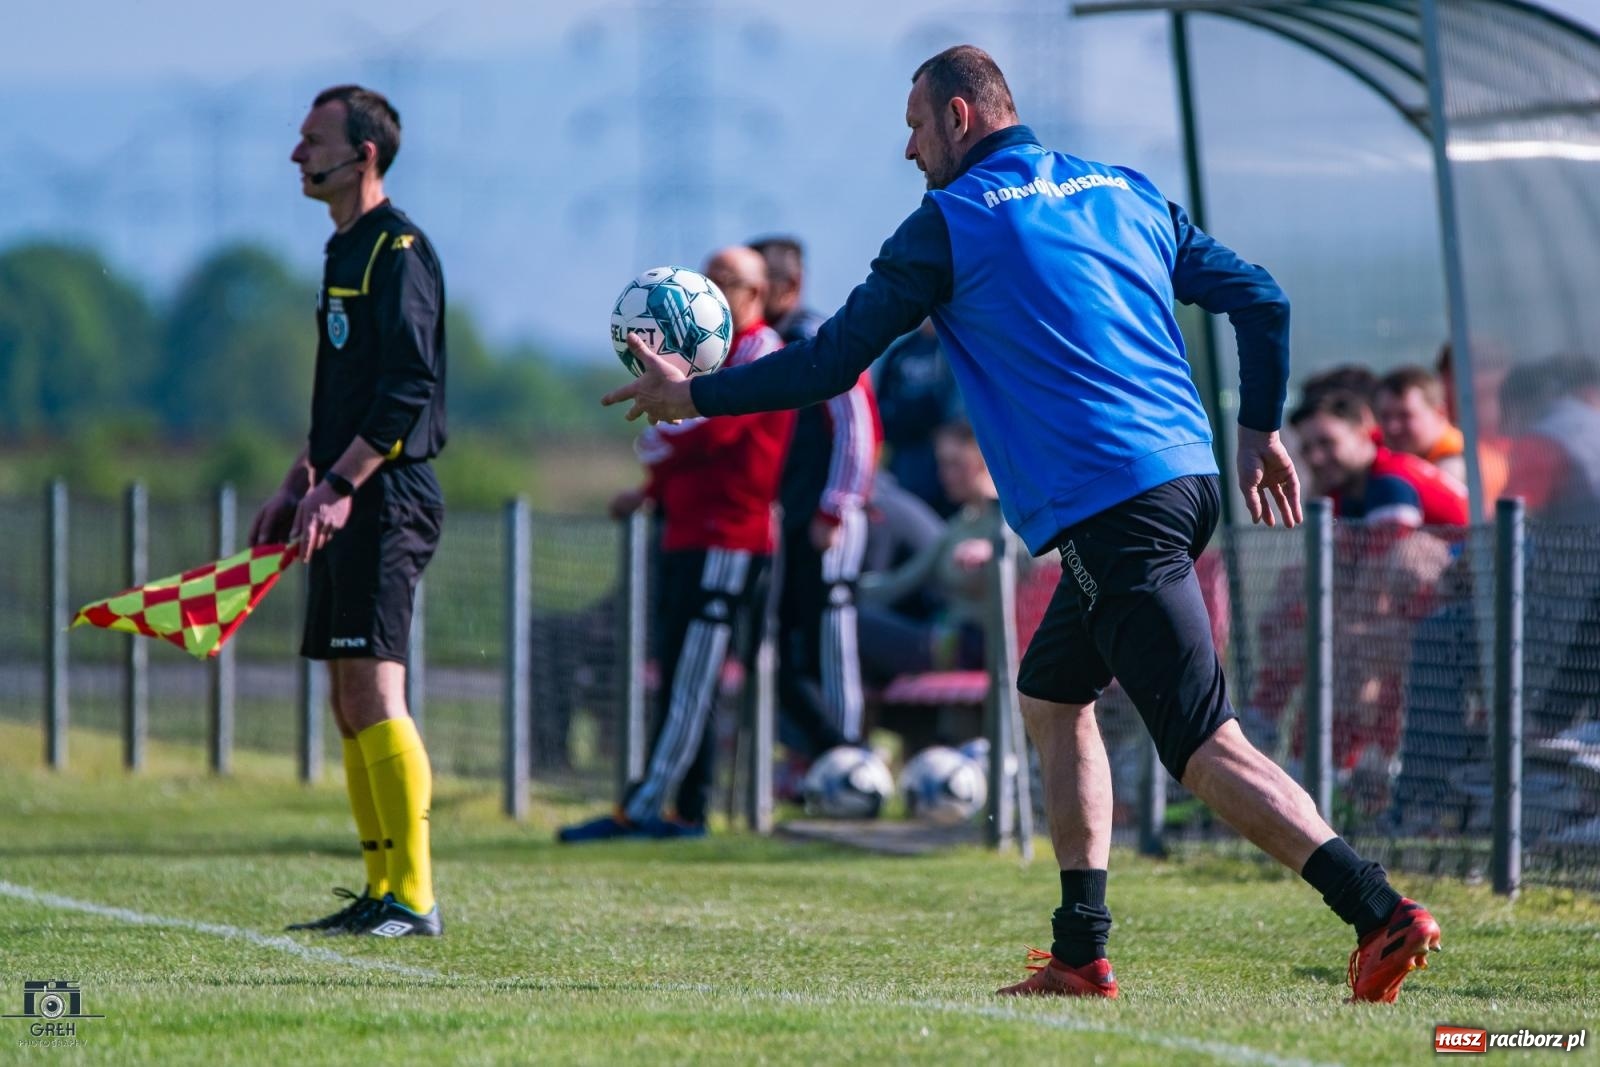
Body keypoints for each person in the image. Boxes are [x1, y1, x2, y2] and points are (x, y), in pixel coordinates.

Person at [604, 44, 1442, 1003]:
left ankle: (1378, 910)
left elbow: (830, 361)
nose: (910, 150)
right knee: (1051, 696)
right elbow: (1262, 298)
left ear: (961, 116)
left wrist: (696, 394)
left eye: (916, 126)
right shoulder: (1123, 189)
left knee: (1202, 743)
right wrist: (1255, 431)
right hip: (1182, 479)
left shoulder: (948, 222)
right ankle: (1081, 951)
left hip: (1113, 503)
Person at [251, 85, 446, 937]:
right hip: (340, 493)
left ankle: (415, 896)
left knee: (376, 688)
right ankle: (379, 888)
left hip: (385, 495)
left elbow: (409, 390)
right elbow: (345, 391)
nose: (298, 154)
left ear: (363, 155)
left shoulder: (399, 250)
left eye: (313, 140)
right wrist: (301, 478)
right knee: (347, 698)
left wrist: (341, 484)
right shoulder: (344, 250)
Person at [559, 246, 794, 842]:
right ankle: (684, 809)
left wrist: (660, 439)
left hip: (728, 540)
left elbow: (713, 431)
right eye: (707, 276)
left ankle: (648, 807)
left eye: (727, 280)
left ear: (756, 294)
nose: (712, 289)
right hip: (691, 534)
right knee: (682, 674)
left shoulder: (758, 351)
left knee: (692, 679)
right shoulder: (711, 360)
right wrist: (650, 489)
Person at [746, 235, 882, 766]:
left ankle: (846, 762)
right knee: (789, 647)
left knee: (832, 638)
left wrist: (837, 506)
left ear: (788, 286)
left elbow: (859, 425)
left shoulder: (816, 339)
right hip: (791, 520)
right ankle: (815, 755)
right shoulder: (767, 344)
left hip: (827, 521)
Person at [856, 421, 1008, 685]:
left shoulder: (1013, 521)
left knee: (858, 626)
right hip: (953, 639)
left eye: (956, 464)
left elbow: (1044, 560)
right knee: (853, 619)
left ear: (984, 460)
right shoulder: (960, 524)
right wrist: (843, 592)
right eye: (942, 464)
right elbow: (899, 582)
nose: (945, 474)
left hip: (988, 647)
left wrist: (997, 551)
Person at [1291, 390, 1469, 526]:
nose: (1316, 458)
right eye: (1306, 448)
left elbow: (1380, 568)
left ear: (1362, 432)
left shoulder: (1390, 481)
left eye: (1327, 443)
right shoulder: (1343, 492)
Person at [875, 320, 964, 516]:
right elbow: (880, 415)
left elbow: (957, 416)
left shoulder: (957, 346)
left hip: (950, 475)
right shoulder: (900, 352)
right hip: (905, 471)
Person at [1375, 366, 1468, 485]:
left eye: (1405, 415)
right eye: (1385, 416)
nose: (1393, 427)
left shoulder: (1460, 465)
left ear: (1440, 413)